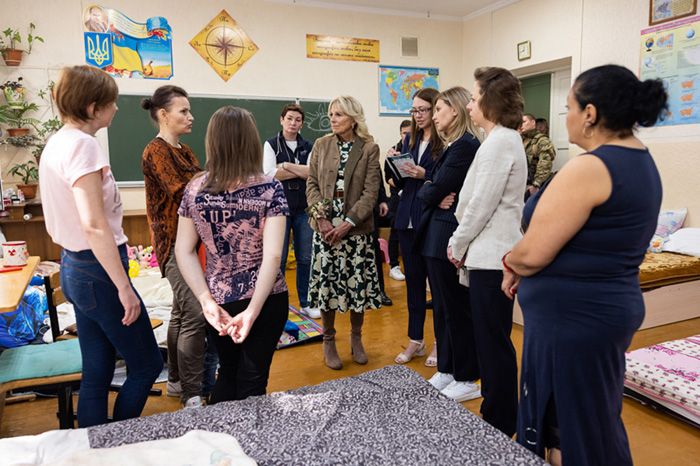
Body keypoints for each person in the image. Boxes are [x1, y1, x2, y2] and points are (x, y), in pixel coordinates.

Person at [502, 65, 666, 466]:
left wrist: (510, 260)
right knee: (580, 419)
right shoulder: (641, 160)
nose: (566, 116)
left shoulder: (591, 166)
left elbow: (535, 252)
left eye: (569, 107)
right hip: (598, 312)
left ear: (590, 114)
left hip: (574, 320)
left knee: (576, 425)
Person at [39, 65, 162, 427]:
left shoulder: (58, 141)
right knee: (147, 365)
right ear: (93, 107)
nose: (118, 109)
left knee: (98, 368)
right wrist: (124, 287)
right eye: (112, 102)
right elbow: (93, 225)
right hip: (97, 269)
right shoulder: (83, 145)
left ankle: (93, 446)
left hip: (75, 266)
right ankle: (115, 443)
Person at [175, 106, 290, 403]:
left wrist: (206, 300)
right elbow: (274, 257)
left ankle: (220, 445)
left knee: (227, 372)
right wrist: (252, 312)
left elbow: (183, 250)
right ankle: (247, 444)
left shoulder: (195, 189)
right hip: (266, 298)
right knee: (252, 380)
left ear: (212, 141)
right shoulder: (270, 187)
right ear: (251, 141)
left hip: (220, 300)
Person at [447, 67, 527, 435]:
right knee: (491, 340)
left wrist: (457, 242)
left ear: (491, 102)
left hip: (492, 257)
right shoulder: (501, 140)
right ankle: (500, 413)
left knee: (493, 343)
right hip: (489, 255)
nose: (471, 104)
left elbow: (482, 203)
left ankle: (499, 421)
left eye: (475, 98)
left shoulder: (500, 142)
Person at [141, 86, 217, 408]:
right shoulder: (155, 151)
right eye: (183, 111)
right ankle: (192, 392)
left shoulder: (184, 150)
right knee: (196, 313)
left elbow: (200, 181)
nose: (190, 116)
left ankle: (174, 379)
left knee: (180, 311)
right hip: (174, 245)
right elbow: (186, 190)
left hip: (193, 242)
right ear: (163, 115)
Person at [306, 95, 382, 370]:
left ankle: (356, 338)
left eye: (338, 114)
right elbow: (312, 184)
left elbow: (370, 192)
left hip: (355, 231)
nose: (332, 119)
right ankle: (328, 340)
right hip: (326, 230)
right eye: (331, 114)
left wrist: (348, 222)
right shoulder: (321, 145)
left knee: (356, 287)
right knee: (328, 287)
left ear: (353, 118)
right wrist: (322, 219)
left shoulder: (369, 149)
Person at [415, 86, 481, 401]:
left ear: (454, 111)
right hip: (435, 234)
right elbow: (431, 190)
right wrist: (432, 190)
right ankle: (447, 368)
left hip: (448, 234)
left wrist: (431, 189)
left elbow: (433, 188)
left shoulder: (465, 146)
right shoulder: (451, 146)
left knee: (455, 309)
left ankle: (466, 376)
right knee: (441, 308)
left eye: (439, 109)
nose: (435, 115)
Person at [390, 88, 442, 366]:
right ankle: (415, 340)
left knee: (437, 287)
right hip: (407, 218)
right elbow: (399, 183)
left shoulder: (444, 142)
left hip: (431, 220)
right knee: (413, 286)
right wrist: (394, 166)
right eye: (414, 110)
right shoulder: (409, 139)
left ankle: (439, 343)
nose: (418, 115)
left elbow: (448, 179)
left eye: (423, 109)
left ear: (436, 110)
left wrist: (426, 174)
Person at [263, 104, 319, 319]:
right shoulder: (270, 144)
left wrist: (285, 165)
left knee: (306, 257)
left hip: (304, 208)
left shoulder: (308, 145)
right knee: (280, 258)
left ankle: (305, 302)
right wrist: (298, 170)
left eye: (297, 120)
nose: (293, 123)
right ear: (282, 120)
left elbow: (313, 174)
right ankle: (279, 304)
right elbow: (269, 175)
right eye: (289, 119)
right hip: (279, 210)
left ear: (301, 123)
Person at [386, 120, 411, 282]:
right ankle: (394, 265)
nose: (407, 136)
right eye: (404, 133)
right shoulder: (393, 152)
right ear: (400, 133)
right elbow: (388, 178)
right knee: (395, 233)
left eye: (410, 132)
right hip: (398, 198)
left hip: (414, 198)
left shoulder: (416, 149)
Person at [520, 113, 556, 198]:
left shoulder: (542, 140)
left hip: (534, 185)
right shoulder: (521, 139)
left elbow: (545, 163)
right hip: (522, 184)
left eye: (524, 122)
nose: (521, 125)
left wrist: (536, 184)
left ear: (533, 123)